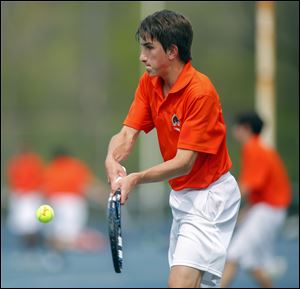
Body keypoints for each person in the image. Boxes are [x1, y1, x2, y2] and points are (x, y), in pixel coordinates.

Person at [105, 10, 241, 288]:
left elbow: (184, 162)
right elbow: (127, 134)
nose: (142, 56)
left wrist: (136, 178)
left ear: (171, 51)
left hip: (210, 197)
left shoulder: (200, 92)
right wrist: (112, 159)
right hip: (182, 198)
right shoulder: (149, 83)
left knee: (179, 285)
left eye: (148, 47)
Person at [221, 112, 292, 288]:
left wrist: (220, 207)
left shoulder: (252, 148)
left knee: (234, 255)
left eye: (237, 127)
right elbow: (260, 190)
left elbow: (247, 187)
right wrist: (243, 214)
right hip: (268, 210)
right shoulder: (261, 148)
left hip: (268, 211)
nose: (234, 131)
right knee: (251, 262)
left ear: (245, 128)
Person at [42, 147, 106, 251]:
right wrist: (103, 195)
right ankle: (90, 243)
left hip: (55, 203)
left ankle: (57, 255)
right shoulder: (75, 166)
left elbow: (44, 189)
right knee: (70, 236)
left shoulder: (50, 168)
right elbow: (88, 184)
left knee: (58, 235)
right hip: (73, 203)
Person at [6, 147, 45, 248]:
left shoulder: (18, 163)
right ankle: (29, 246)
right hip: (26, 196)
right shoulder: (32, 162)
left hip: (27, 196)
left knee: (28, 225)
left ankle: (31, 245)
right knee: (26, 225)